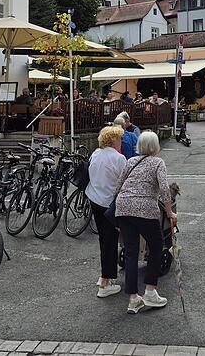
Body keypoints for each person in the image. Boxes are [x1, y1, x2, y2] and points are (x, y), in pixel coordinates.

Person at [115, 131, 177, 314]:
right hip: (145, 209)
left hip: (124, 206)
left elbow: (118, 185)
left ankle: (133, 298)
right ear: (155, 146)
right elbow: (165, 189)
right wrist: (170, 211)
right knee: (157, 246)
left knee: (132, 252)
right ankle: (150, 290)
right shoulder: (158, 162)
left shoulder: (131, 161)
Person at [86, 126, 127, 298]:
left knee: (104, 238)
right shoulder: (119, 158)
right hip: (109, 203)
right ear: (113, 140)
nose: (121, 141)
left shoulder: (95, 153)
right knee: (110, 241)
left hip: (94, 198)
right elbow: (125, 182)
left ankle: (104, 274)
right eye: (119, 138)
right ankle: (105, 282)